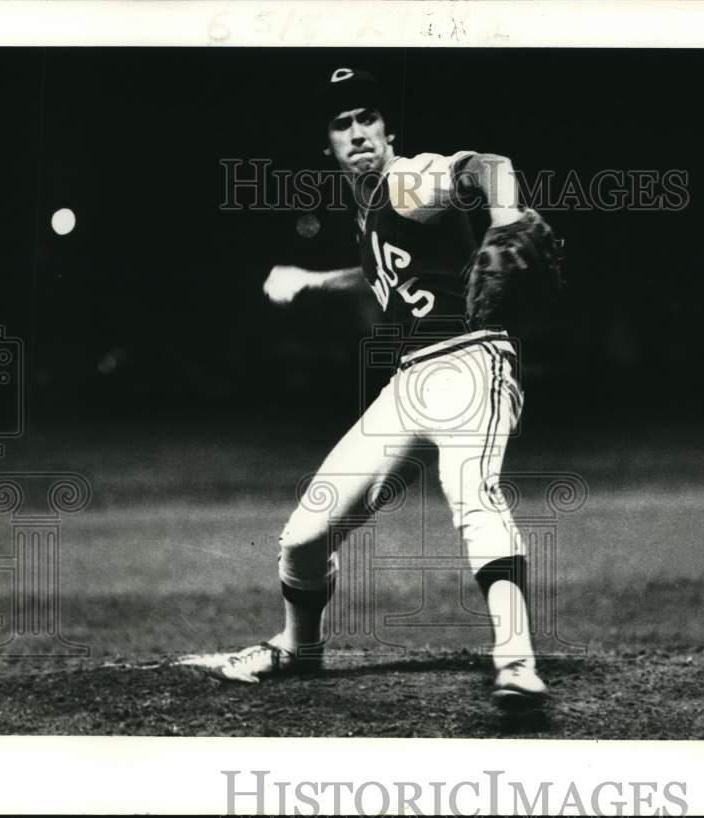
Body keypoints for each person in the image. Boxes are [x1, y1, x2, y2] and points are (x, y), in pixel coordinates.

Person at [212, 67, 552, 709]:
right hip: (410, 383)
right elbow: (378, 275)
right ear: (329, 147)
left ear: (389, 128)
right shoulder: (368, 205)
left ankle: (516, 661)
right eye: (342, 124)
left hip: (470, 364)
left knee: (472, 496)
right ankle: (298, 647)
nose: (358, 132)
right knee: (304, 537)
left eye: (367, 117)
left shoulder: (405, 178)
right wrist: (315, 281)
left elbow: (489, 165)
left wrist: (505, 219)